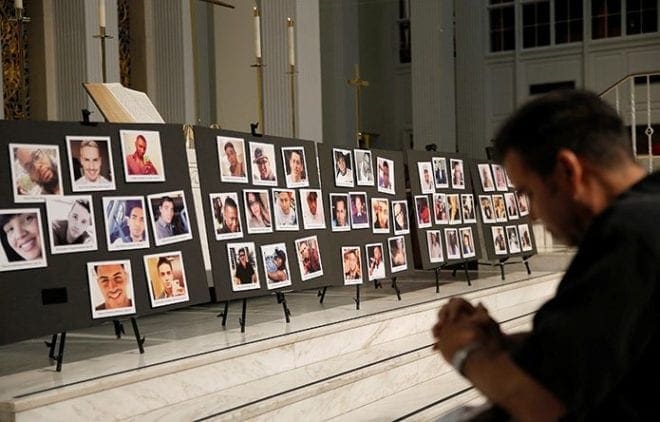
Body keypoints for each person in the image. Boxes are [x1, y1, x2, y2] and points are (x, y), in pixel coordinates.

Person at [432, 90, 657, 421]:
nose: (532, 215)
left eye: (529, 193)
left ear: (568, 171)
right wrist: (501, 343)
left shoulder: (629, 234)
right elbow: (599, 348)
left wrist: (464, 351)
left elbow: (542, 404)